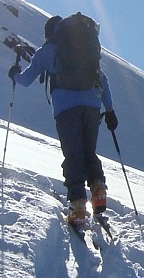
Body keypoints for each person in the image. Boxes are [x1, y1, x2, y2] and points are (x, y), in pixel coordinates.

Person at [9, 14, 118, 231]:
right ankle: (98, 191)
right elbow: (102, 79)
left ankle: (78, 206)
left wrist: (14, 74)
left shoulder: (47, 51)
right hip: (92, 107)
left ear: (50, 34)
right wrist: (110, 110)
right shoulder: (84, 48)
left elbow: (27, 79)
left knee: (73, 154)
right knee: (89, 152)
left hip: (66, 108)